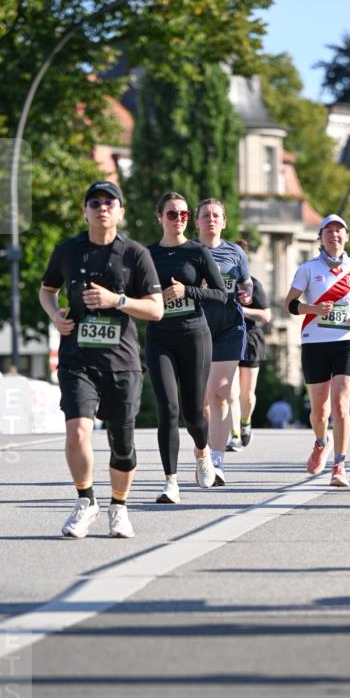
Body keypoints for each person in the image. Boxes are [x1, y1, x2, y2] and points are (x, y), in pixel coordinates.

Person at [39, 180, 163, 539]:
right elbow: (48, 290)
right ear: (85, 211)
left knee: (121, 443)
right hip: (78, 358)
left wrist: (117, 301)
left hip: (122, 362)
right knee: (78, 430)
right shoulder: (68, 251)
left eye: (110, 202)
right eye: (94, 202)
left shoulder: (135, 254)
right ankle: (85, 500)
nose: (102, 207)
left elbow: (155, 310)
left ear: (120, 211)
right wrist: (54, 316)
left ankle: (119, 507)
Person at [146, 191, 226, 503]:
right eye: (172, 214)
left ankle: (203, 454)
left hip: (194, 336)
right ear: (159, 217)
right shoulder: (147, 255)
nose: (179, 219)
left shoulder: (197, 252)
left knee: (193, 412)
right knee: (168, 409)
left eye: (184, 215)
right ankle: (171, 482)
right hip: (160, 338)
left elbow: (221, 295)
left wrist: (187, 291)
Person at [284, 213, 350, 487]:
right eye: (329, 231)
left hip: (347, 342)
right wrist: (313, 309)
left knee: (341, 403)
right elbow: (289, 304)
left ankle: (340, 464)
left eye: (339, 231)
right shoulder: (308, 269)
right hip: (314, 342)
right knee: (319, 412)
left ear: (347, 237)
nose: (334, 235)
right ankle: (322, 442)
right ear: (320, 237)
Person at [195, 199, 253, 485]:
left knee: (219, 393)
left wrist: (246, 294)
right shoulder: (189, 251)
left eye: (216, 215)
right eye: (205, 215)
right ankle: (202, 455)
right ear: (197, 222)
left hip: (229, 327)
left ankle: (217, 461)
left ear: (224, 221)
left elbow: (246, 283)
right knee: (201, 401)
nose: (211, 219)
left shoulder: (236, 252)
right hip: (195, 328)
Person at [227, 241, 272, 450]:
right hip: (226, 338)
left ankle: (245, 423)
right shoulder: (219, 281)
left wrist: (242, 312)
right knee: (231, 392)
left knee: (246, 393)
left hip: (251, 339)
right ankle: (234, 435)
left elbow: (266, 315)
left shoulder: (253, 284)